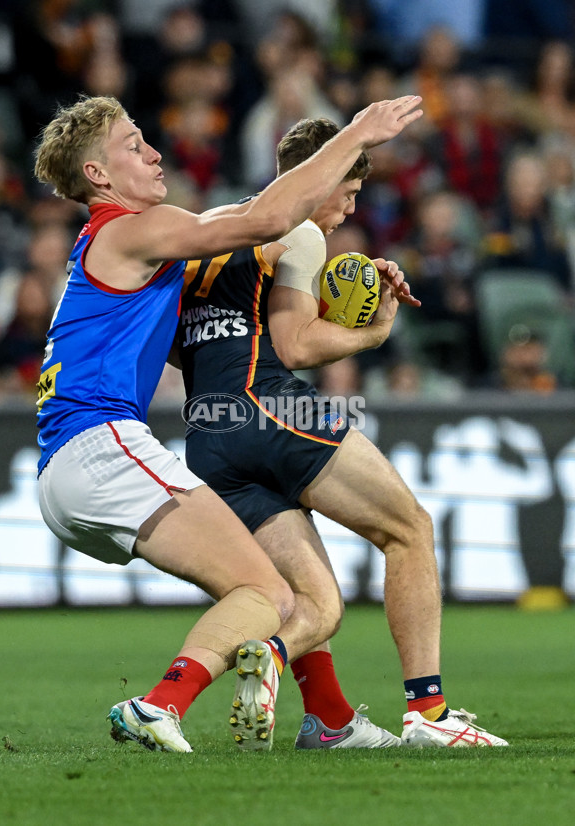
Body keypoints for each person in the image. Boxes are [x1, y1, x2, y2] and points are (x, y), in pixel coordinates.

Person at [32, 93, 423, 754]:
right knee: (270, 593)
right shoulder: (133, 228)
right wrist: (356, 135)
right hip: (100, 444)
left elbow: (187, 334)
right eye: (133, 145)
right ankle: (159, 704)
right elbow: (268, 216)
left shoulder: (121, 248)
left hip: (67, 470)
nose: (154, 153)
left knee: (285, 595)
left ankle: (327, 718)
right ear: (98, 176)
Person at [178, 117, 509, 749]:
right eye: (349, 192)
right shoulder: (297, 228)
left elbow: (191, 340)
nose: (347, 210)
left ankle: (324, 718)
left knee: (310, 594)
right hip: (272, 410)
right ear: (322, 173)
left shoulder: (214, 227)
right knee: (409, 529)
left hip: (209, 431)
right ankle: (428, 715)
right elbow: (294, 345)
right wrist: (375, 330)